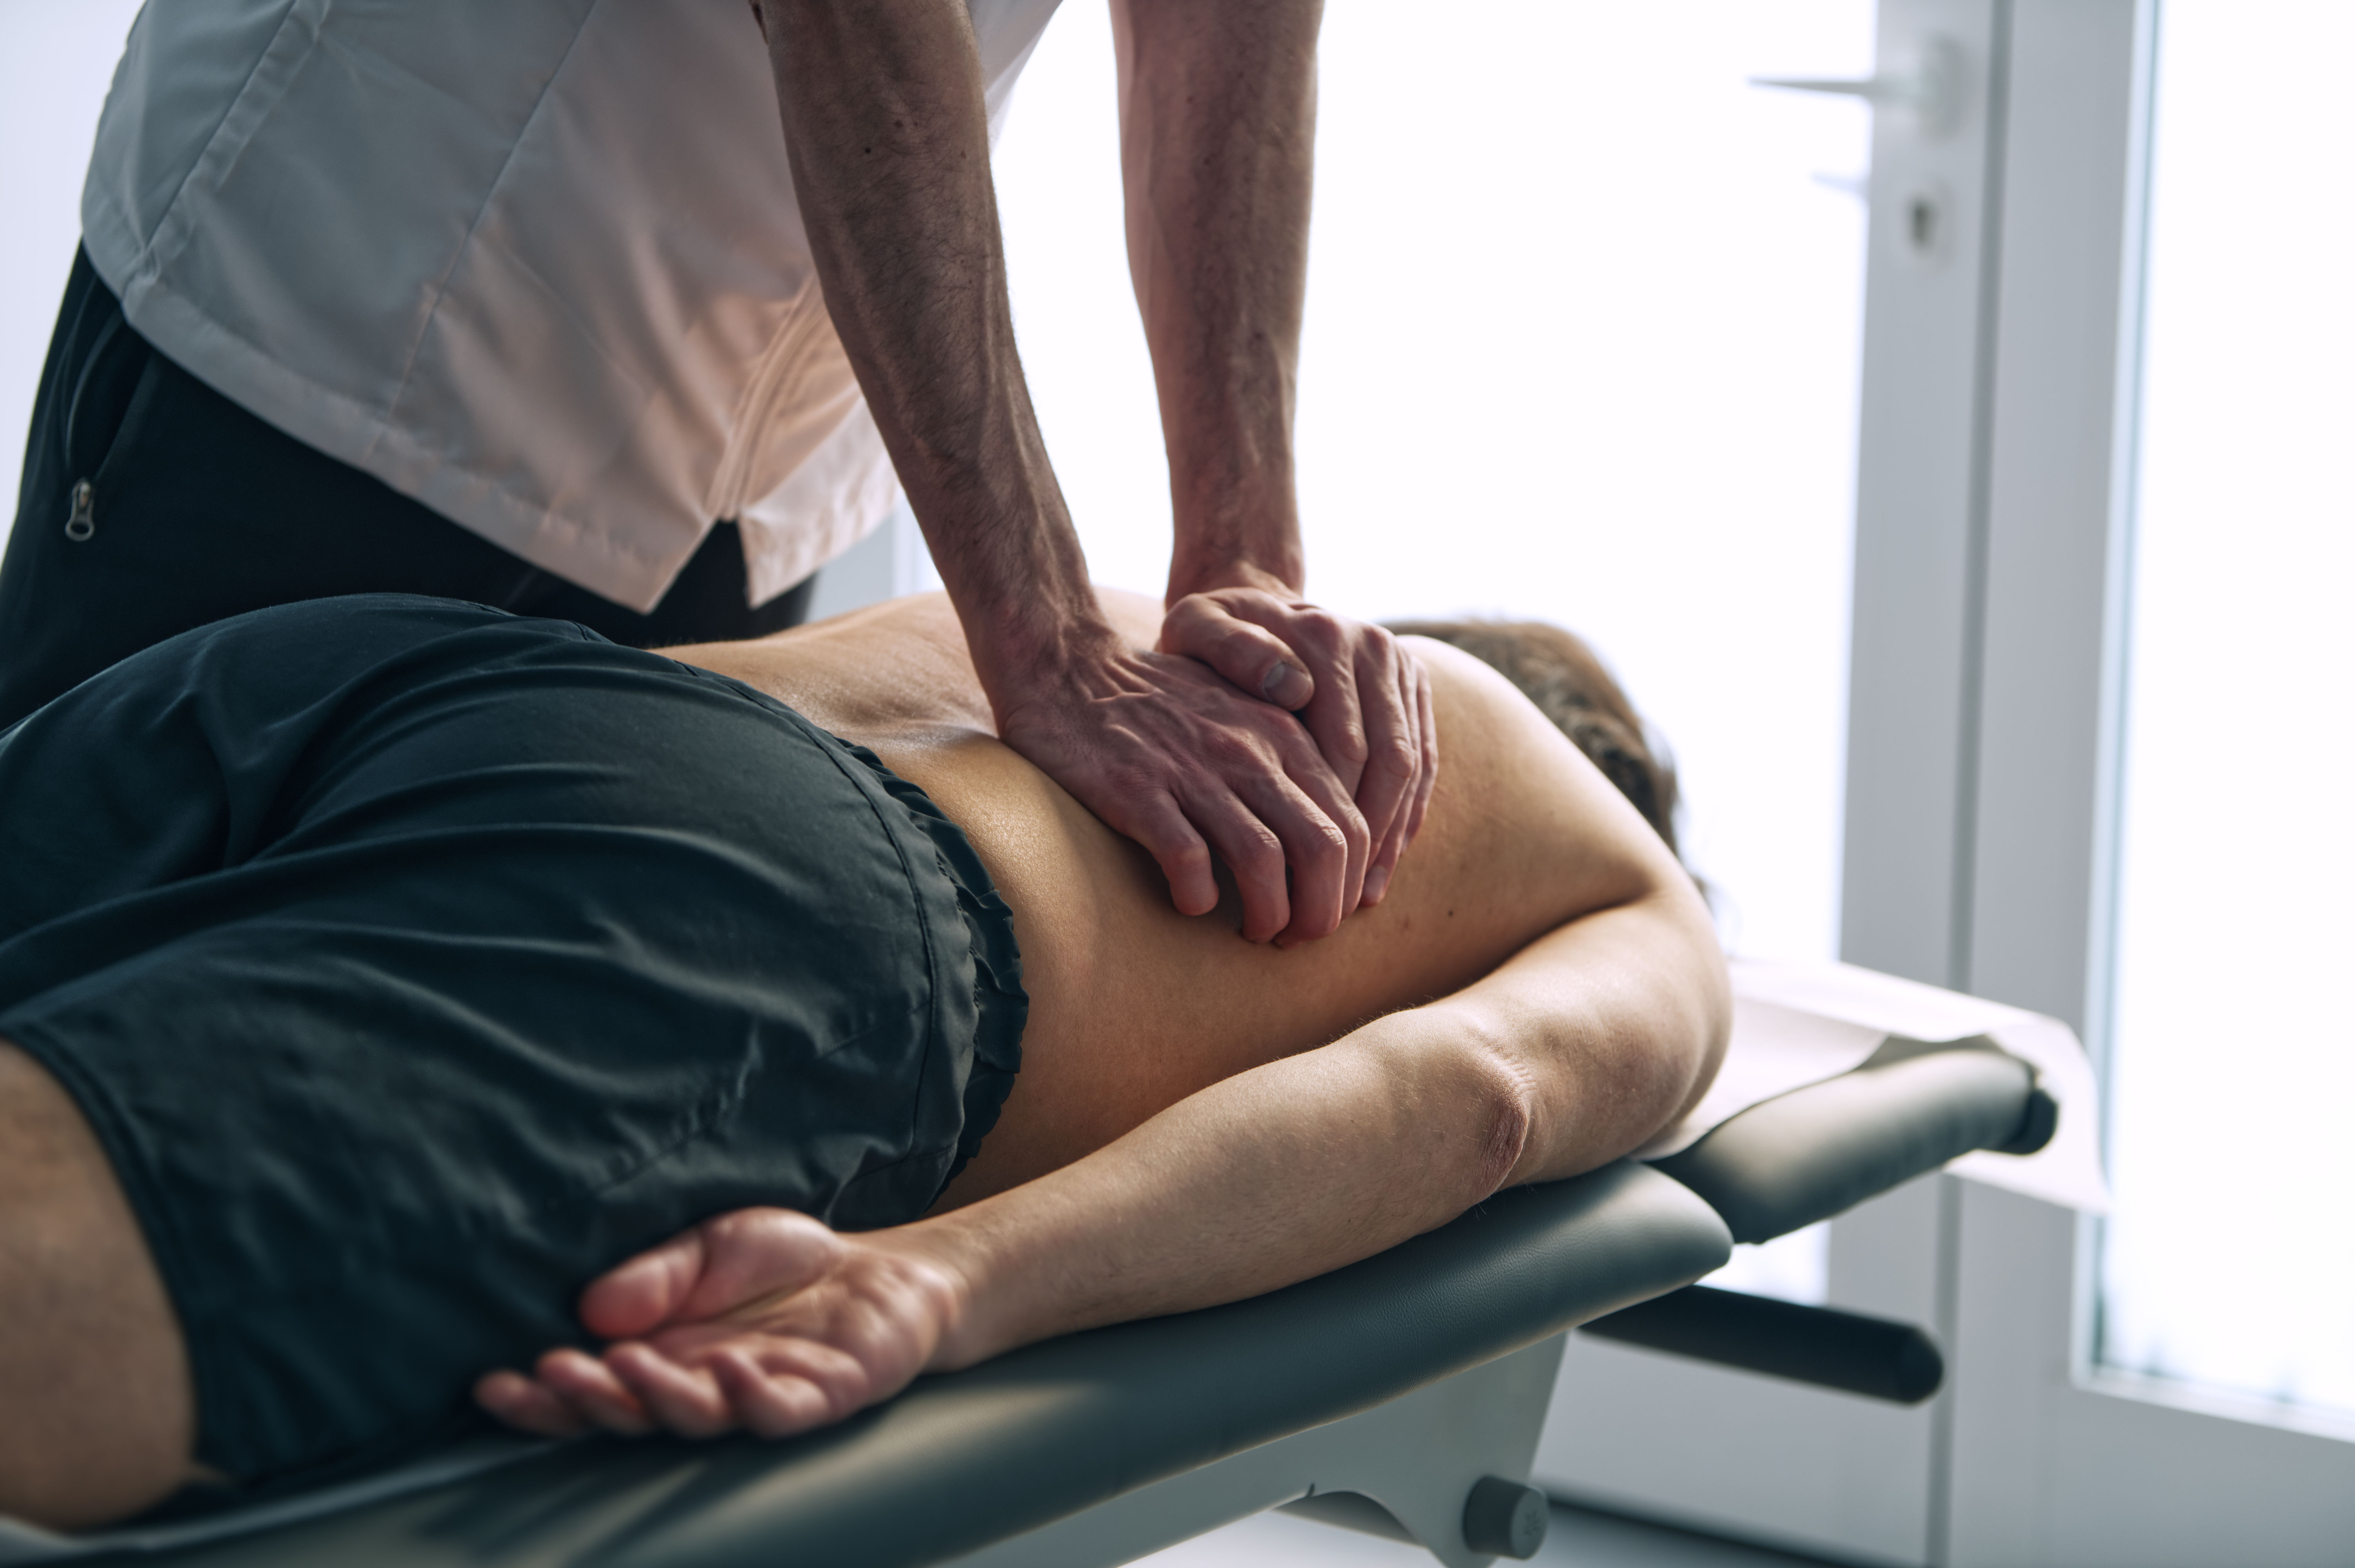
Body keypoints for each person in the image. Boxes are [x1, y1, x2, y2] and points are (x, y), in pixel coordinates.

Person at [0, 588, 1725, 1530]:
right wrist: (945, 1280)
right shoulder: (1621, 878)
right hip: (748, 884)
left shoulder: (1185, 612)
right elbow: (1476, 1106)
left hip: (415, 673)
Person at [0, 0, 1432, 948]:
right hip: (341, 329)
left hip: (741, 463)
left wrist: (1245, 549)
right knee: (80, 978)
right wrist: (1050, 635)